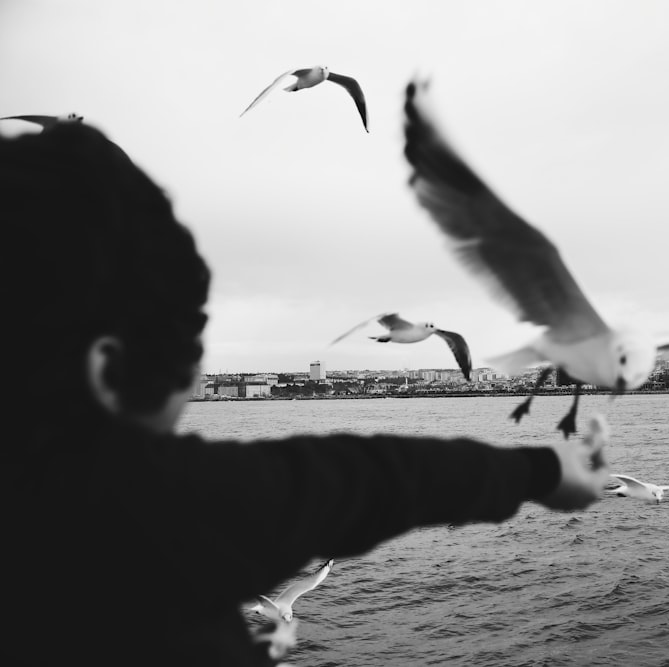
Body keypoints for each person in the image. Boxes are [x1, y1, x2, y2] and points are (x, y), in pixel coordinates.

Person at [2, 123, 610, 666]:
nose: (192, 385)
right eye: (187, 353)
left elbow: (360, 476)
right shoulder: (137, 506)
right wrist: (542, 469)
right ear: (109, 371)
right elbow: (370, 478)